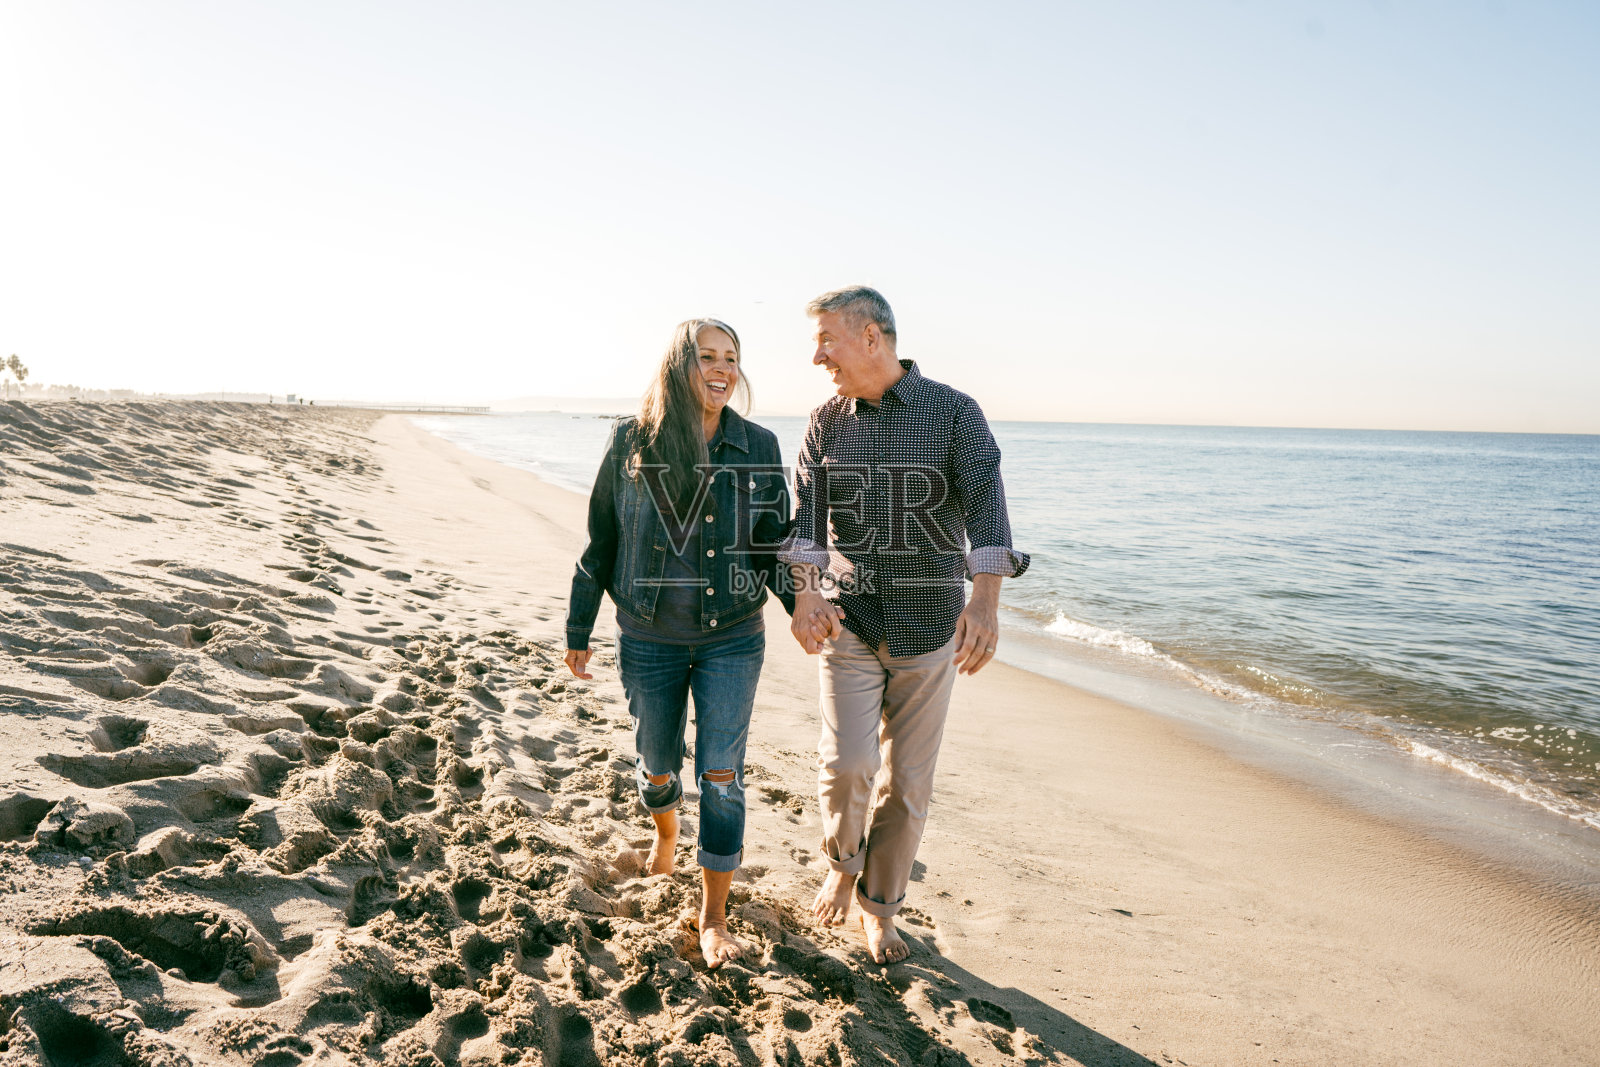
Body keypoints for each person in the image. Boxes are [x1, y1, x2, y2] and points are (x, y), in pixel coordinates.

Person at [781, 286, 1029, 964]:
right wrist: (806, 594)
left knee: (908, 783)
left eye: (826, 339)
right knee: (847, 764)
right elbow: (804, 521)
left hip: (929, 626)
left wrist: (984, 603)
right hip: (852, 618)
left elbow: (988, 510)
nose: (816, 355)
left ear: (873, 337)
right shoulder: (826, 421)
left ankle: (880, 909)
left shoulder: (953, 413)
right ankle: (842, 862)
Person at [564, 318, 793, 969]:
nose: (722, 369)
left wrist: (803, 605)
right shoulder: (632, 441)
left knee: (721, 774)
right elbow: (601, 540)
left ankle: (713, 916)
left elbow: (774, 545)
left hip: (734, 638)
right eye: (707, 357)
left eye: (732, 358)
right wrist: (578, 625)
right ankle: (666, 832)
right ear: (678, 365)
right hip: (648, 635)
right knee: (658, 762)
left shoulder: (759, 445)